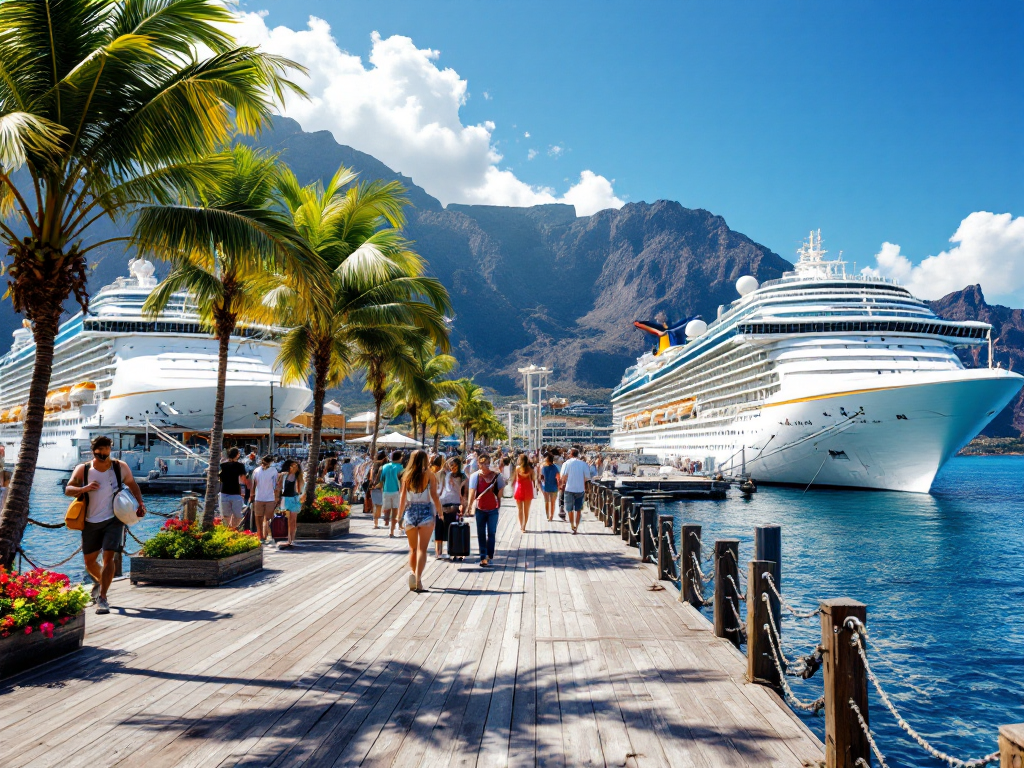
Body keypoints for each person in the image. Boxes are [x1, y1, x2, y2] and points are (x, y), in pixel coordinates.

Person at [64, 435, 146, 614]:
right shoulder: (83, 469)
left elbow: (132, 485)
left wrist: (140, 503)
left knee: (108, 559)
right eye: (100, 449)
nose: (104, 452)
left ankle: (103, 598)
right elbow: (68, 489)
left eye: (107, 448)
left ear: (111, 449)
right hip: (90, 522)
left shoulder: (119, 467)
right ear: (93, 450)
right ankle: (103, 582)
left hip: (114, 520)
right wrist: (84, 489)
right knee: (90, 562)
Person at [399, 449, 442, 591]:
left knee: (413, 549)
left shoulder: (406, 475)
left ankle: (413, 572)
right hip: (426, 513)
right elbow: (434, 496)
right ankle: (418, 579)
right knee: (422, 549)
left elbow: (402, 498)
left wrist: (399, 517)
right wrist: (440, 513)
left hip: (410, 512)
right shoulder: (430, 474)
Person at [466, 453, 505, 567]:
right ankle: (483, 557)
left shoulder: (497, 476)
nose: (484, 466)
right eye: (482, 463)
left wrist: (498, 499)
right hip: (480, 508)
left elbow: (501, 489)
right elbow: (472, 492)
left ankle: (490, 555)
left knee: (491, 533)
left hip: (493, 508)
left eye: (486, 463)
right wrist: (469, 506)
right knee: (481, 533)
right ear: (478, 464)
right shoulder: (475, 476)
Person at [435, 456, 467, 559]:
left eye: (454, 465)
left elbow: (463, 494)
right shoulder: (442, 475)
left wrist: (464, 507)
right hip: (442, 503)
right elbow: (437, 487)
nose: (451, 467)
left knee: (453, 529)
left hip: (455, 503)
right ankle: (438, 552)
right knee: (439, 528)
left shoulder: (462, 477)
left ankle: (454, 551)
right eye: (450, 465)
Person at [558, 448, 592, 534]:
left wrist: (563, 484)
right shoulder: (583, 464)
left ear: (571, 454)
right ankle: (576, 527)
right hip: (580, 489)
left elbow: (563, 476)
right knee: (578, 509)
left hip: (569, 488)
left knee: (569, 509)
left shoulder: (566, 463)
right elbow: (587, 477)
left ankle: (572, 525)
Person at [218, 447, 249, 529]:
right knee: (238, 515)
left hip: (224, 491)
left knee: (226, 515)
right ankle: (233, 528)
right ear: (237, 455)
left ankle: (228, 529)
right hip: (236, 492)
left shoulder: (223, 466)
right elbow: (243, 479)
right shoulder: (240, 466)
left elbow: (219, 478)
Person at [250, 455, 279, 542]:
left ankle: (264, 534)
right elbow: (254, 484)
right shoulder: (257, 471)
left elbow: (275, 484)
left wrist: (276, 497)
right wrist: (252, 495)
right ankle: (262, 536)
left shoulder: (272, 471)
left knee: (266, 518)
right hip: (262, 497)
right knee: (261, 518)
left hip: (267, 497)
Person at [380, 450, 405, 538]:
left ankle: (386, 519)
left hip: (386, 490)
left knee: (387, 509)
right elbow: (403, 481)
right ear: (400, 458)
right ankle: (391, 531)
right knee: (395, 512)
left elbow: (381, 479)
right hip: (397, 491)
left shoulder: (385, 466)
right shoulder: (401, 467)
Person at [512, 453, 537, 533]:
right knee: (526, 509)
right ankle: (524, 526)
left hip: (519, 489)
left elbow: (515, 479)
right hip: (528, 489)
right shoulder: (530, 469)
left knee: (520, 509)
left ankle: (521, 525)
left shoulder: (517, 468)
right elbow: (533, 479)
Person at [539, 452, 560, 521]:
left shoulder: (545, 467)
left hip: (551, 487)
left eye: (546, 459)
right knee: (548, 501)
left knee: (551, 502)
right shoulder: (545, 467)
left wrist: (559, 486)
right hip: (548, 486)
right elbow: (541, 477)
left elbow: (558, 478)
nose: (544, 460)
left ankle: (550, 516)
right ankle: (548, 515)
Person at [369, 450, 386, 527]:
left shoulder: (374, 465)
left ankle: (375, 523)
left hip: (373, 486)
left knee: (375, 504)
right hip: (382, 487)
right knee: (379, 505)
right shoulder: (384, 465)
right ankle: (377, 521)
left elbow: (370, 476)